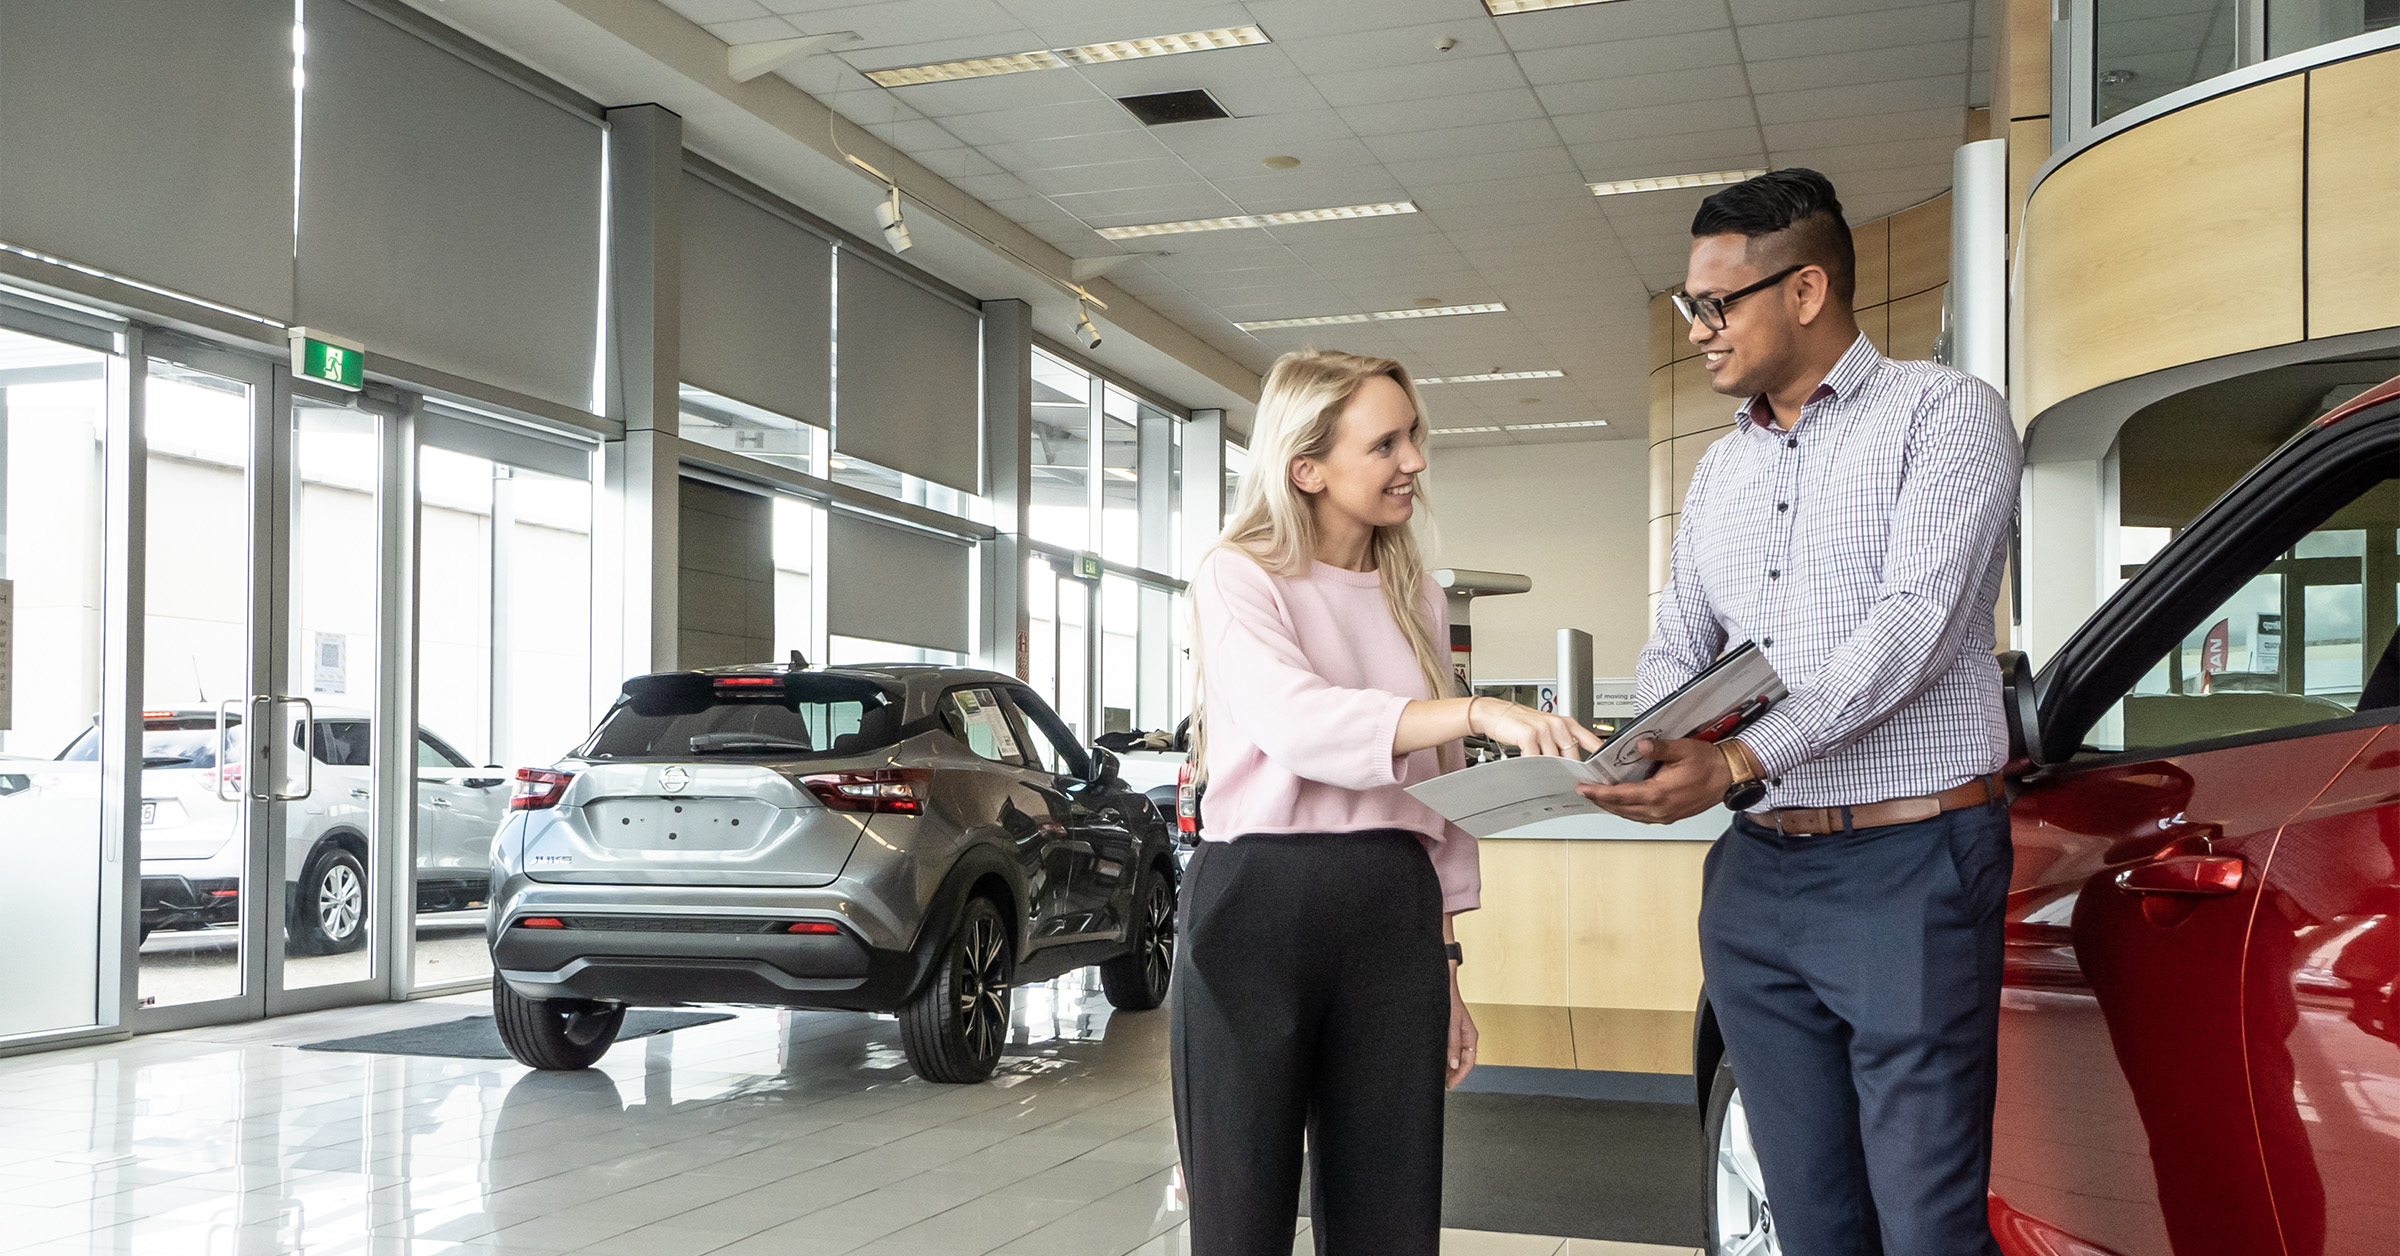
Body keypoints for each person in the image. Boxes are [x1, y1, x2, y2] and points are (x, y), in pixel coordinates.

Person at [1579, 169, 2021, 1255]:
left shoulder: (1945, 415)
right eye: (1691, 305)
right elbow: (1679, 635)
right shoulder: (1721, 471)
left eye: (1716, 303)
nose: (1697, 329)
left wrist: (1739, 761)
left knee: (1924, 1222)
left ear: (1808, 288)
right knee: (1809, 1217)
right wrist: (1645, 745)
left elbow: (1912, 627)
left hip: (1909, 864)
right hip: (1756, 880)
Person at [1175, 348, 1600, 1256]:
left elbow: (1440, 790)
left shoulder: (1420, 593)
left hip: (1393, 906)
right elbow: (1298, 722)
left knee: (1392, 1210)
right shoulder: (1237, 575)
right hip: (1258, 899)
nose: (1414, 460)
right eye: (1387, 442)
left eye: (1414, 437)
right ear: (1307, 467)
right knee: (1239, 1210)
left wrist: (1447, 964)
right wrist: (1480, 708)